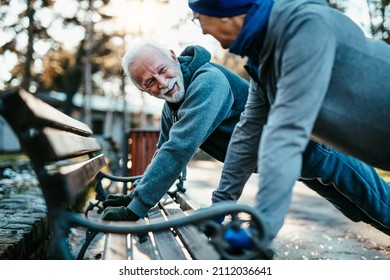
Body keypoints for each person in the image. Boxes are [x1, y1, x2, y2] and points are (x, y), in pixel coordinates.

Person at [101, 40, 390, 241]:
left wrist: (136, 209)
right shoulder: (173, 104)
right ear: (143, 90)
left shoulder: (207, 82)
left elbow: (180, 148)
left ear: (174, 57)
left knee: (380, 207)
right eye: (149, 82)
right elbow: (163, 150)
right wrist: (134, 195)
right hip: (297, 166)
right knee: (361, 213)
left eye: (162, 70)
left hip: (318, 150)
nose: (162, 83)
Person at [187, 0, 390, 247]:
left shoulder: (303, 28)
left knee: (381, 207)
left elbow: (285, 133)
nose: (202, 30)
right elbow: (248, 134)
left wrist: (262, 226)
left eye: (198, 17)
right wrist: (220, 206)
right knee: (373, 213)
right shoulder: (264, 58)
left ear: (227, 13)